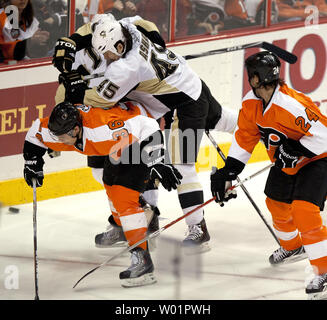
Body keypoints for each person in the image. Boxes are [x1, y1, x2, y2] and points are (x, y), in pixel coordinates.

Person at [52, 14, 238, 254]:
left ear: (119, 46)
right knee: (146, 155)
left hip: (185, 102)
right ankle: (148, 218)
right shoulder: (128, 28)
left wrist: (75, 91)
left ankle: (198, 228)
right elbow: (142, 23)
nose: (106, 59)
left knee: (180, 164)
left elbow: (101, 98)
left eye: (108, 54)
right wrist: (74, 40)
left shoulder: (127, 67)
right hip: (175, 89)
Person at [23, 100, 182, 287]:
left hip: (139, 137)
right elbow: (35, 132)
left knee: (124, 198)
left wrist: (156, 161)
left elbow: (146, 125)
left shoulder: (102, 130)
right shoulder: (59, 129)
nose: (57, 141)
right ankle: (132, 226)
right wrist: (31, 161)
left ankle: (142, 261)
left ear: (75, 130)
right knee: (110, 184)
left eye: (61, 137)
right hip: (116, 145)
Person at [210, 51, 327, 300]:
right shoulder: (251, 102)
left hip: (318, 159)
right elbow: (245, 137)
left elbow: (324, 134)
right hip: (287, 162)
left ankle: (323, 268)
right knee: (275, 203)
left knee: (304, 211)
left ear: (254, 78)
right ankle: (293, 246)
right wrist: (229, 170)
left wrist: (297, 149)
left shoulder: (290, 104)